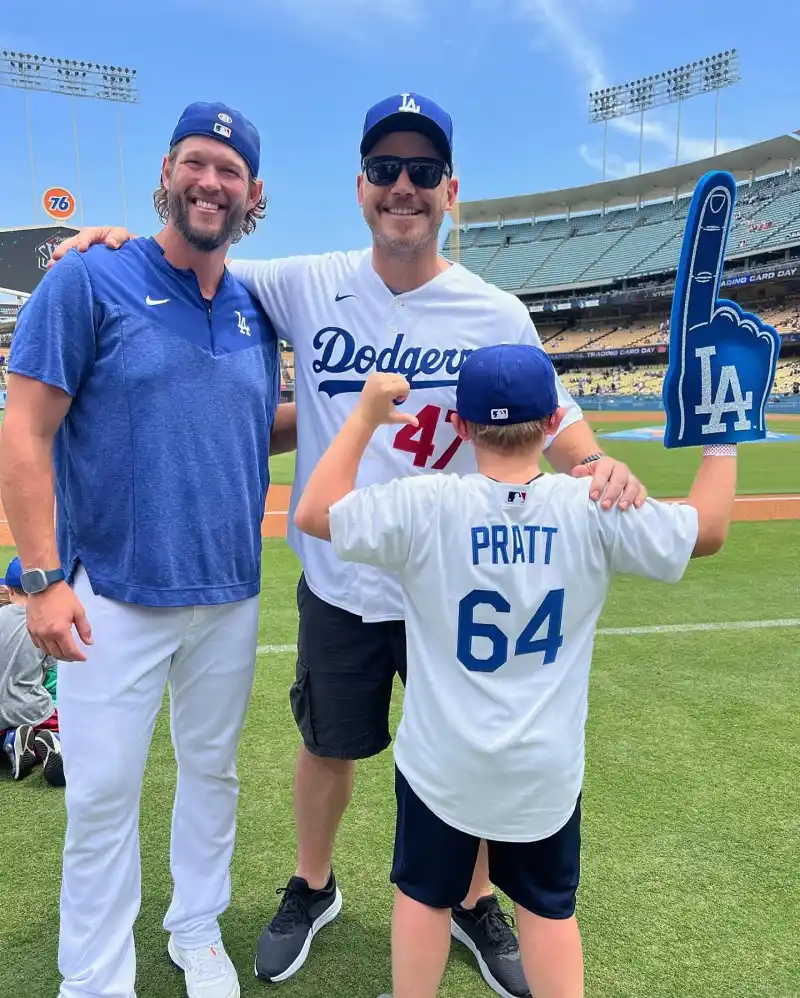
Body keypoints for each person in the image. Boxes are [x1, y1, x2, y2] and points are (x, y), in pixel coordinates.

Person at [51, 92, 645, 997]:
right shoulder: (297, 281)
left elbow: (552, 412)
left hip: (450, 584)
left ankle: (471, 903)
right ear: (359, 186)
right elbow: (187, 262)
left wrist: (598, 462)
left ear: (450, 189)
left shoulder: (493, 307)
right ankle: (314, 885)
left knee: (468, 748)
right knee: (327, 745)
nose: (401, 188)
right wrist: (107, 245)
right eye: (383, 171)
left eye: (419, 173)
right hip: (339, 576)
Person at [292, 348, 735, 998]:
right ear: (553, 418)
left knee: (423, 895)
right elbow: (710, 528)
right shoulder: (593, 507)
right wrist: (721, 436)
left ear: (463, 428)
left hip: (442, 762)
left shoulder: (428, 504)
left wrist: (362, 418)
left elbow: (313, 513)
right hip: (544, 764)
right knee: (548, 908)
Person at [0, 101, 295, 998]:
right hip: (112, 594)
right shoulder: (89, 279)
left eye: (230, 170)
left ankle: (195, 927)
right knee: (99, 797)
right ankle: (95, 978)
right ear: (167, 172)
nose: (212, 182)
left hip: (228, 592)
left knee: (214, 773)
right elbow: (26, 430)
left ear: (254, 195)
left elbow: (250, 425)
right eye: (197, 163)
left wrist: (350, 421)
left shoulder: (254, 304)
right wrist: (43, 579)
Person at [0, 555, 64, 786]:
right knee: (73, 725)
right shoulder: (45, 625)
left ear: (7, 589)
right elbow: (53, 680)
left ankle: (11, 740)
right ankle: (56, 742)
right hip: (29, 708)